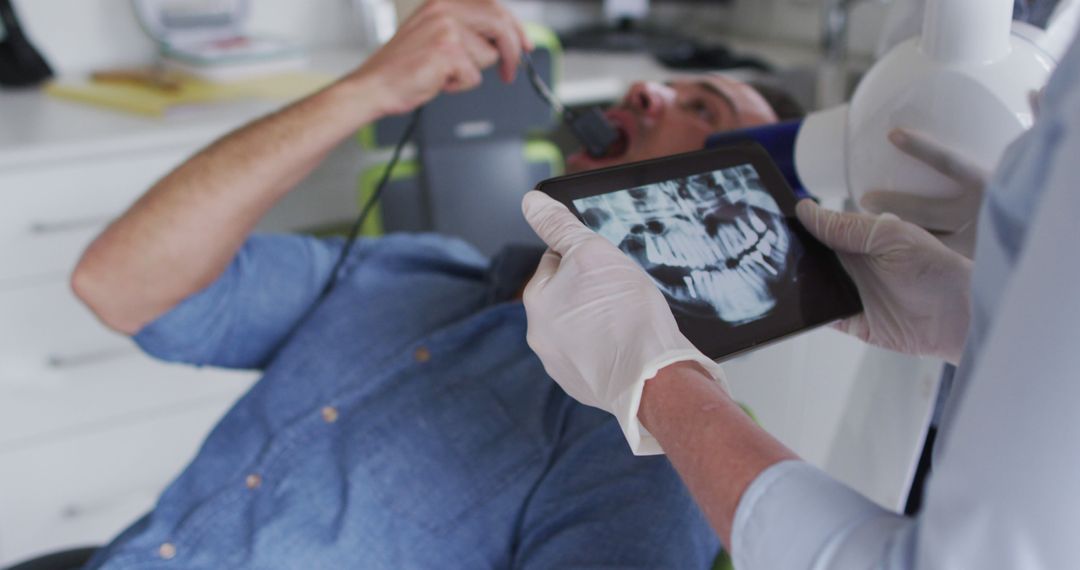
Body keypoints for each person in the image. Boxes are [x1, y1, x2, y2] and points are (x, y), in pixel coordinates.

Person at [69, 0, 792, 567]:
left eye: (703, 109)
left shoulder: (634, 456)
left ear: (730, 211)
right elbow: (117, 283)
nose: (648, 87)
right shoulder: (412, 268)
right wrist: (367, 90)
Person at [520, 23, 1080, 570]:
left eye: (705, 111)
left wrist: (659, 384)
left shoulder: (637, 486)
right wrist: (971, 315)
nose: (648, 93)